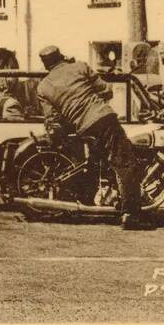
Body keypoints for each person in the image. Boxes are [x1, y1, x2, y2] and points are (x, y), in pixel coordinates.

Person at [36, 45, 152, 230]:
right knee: (125, 163)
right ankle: (131, 215)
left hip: (83, 128)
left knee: (97, 163)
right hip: (103, 118)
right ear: (61, 56)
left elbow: (52, 118)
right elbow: (107, 90)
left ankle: (96, 200)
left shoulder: (43, 87)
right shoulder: (80, 67)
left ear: (45, 65)